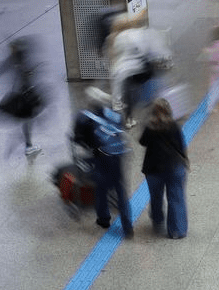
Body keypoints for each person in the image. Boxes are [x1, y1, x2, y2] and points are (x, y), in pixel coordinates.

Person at [78, 91, 135, 237]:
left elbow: (82, 139)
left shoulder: (87, 118)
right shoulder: (113, 115)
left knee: (101, 188)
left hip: (101, 157)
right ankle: (127, 226)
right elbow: (120, 130)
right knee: (120, 189)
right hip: (117, 156)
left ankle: (103, 219)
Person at [139, 98, 188, 239]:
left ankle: (157, 220)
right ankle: (176, 231)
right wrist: (185, 161)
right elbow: (181, 146)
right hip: (174, 166)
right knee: (176, 198)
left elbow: (142, 142)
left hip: (153, 168)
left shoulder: (150, 127)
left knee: (156, 196)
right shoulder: (173, 126)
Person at [0, 37, 45, 159]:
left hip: (24, 94)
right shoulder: (18, 59)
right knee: (27, 120)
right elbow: (5, 67)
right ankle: (28, 145)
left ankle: (27, 143)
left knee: (27, 120)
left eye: (12, 48)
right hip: (23, 95)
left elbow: (22, 73)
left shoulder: (20, 59)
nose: (11, 51)